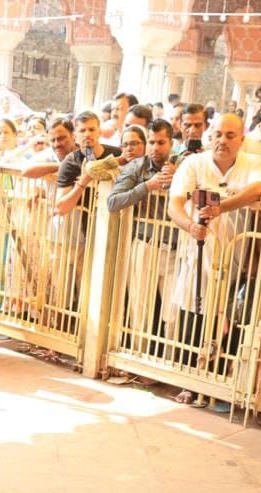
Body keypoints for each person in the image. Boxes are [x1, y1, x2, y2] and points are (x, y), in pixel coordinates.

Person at [166, 113, 261, 397]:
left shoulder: (253, 163)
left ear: (242, 139)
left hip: (236, 253)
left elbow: (259, 188)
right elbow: (174, 203)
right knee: (194, 311)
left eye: (230, 135)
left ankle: (218, 384)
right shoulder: (193, 163)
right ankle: (189, 380)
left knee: (229, 317)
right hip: (197, 252)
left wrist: (221, 207)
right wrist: (189, 225)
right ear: (210, 136)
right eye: (218, 134)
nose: (222, 140)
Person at [108, 118, 178, 352]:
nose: (156, 148)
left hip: (176, 249)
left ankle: (168, 363)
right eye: (151, 142)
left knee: (173, 311)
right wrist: (147, 186)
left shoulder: (184, 165)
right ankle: (139, 358)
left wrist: (177, 179)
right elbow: (113, 201)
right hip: (145, 245)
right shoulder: (136, 167)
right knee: (140, 308)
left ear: (171, 143)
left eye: (161, 142)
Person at [55, 111, 120, 217]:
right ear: (75, 136)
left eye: (91, 129)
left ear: (99, 132)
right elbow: (61, 208)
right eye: (82, 130)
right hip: (85, 224)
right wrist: (83, 182)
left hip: (115, 219)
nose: (87, 134)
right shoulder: (70, 162)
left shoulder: (117, 154)